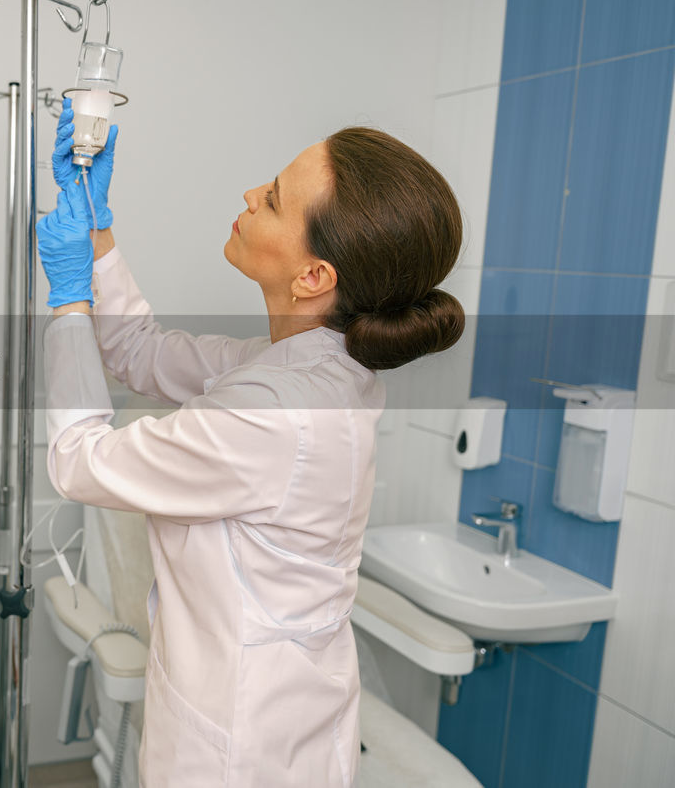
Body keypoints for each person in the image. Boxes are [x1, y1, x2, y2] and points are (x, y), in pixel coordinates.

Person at [37, 99, 463, 787]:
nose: (247, 195)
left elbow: (78, 459)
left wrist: (67, 305)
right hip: (284, 716)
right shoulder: (317, 365)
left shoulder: (277, 414)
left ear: (314, 276)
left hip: (238, 745)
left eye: (270, 200)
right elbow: (142, 354)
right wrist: (98, 231)